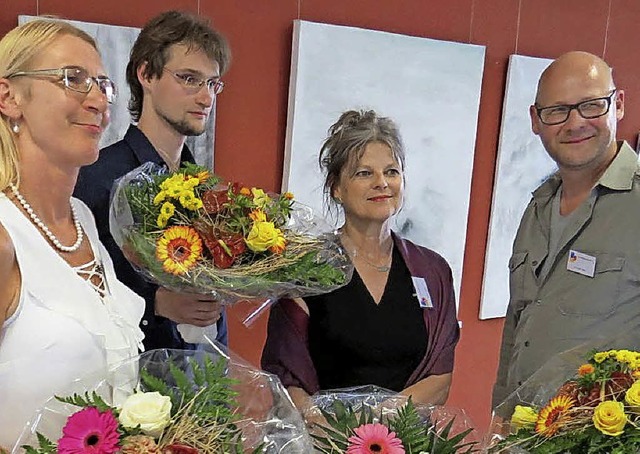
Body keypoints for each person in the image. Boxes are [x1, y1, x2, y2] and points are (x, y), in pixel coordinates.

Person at [0, 19, 144, 447]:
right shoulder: (4, 237)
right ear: (9, 97)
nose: (99, 99)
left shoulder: (82, 220)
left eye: (103, 84)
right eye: (73, 79)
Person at [261, 110, 460, 408]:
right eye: (364, 173)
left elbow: (439, 379)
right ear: (337, 188)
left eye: (391, 172)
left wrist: (379, 425)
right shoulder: (305, 268)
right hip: (324, 442)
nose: (382, 183)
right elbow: (285, 380)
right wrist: (336, 429)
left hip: (405, 442)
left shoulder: (433, 271)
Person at [74, 11, 230, 351]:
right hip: (122, 384)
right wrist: (155, 304)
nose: (205, 98)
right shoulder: (96, 176)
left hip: (203, 379)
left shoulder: (207, 189)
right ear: (146, 74)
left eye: (212, 83)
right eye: (189, 78)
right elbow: (74, 297)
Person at [492, 51, 640, 407]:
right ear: (536, 120)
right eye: (557, 110)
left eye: (590, 105)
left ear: (617, 104)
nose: (574, 124)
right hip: (522, 436)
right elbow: (517, 325)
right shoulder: (537, 207)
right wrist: (500, 415)